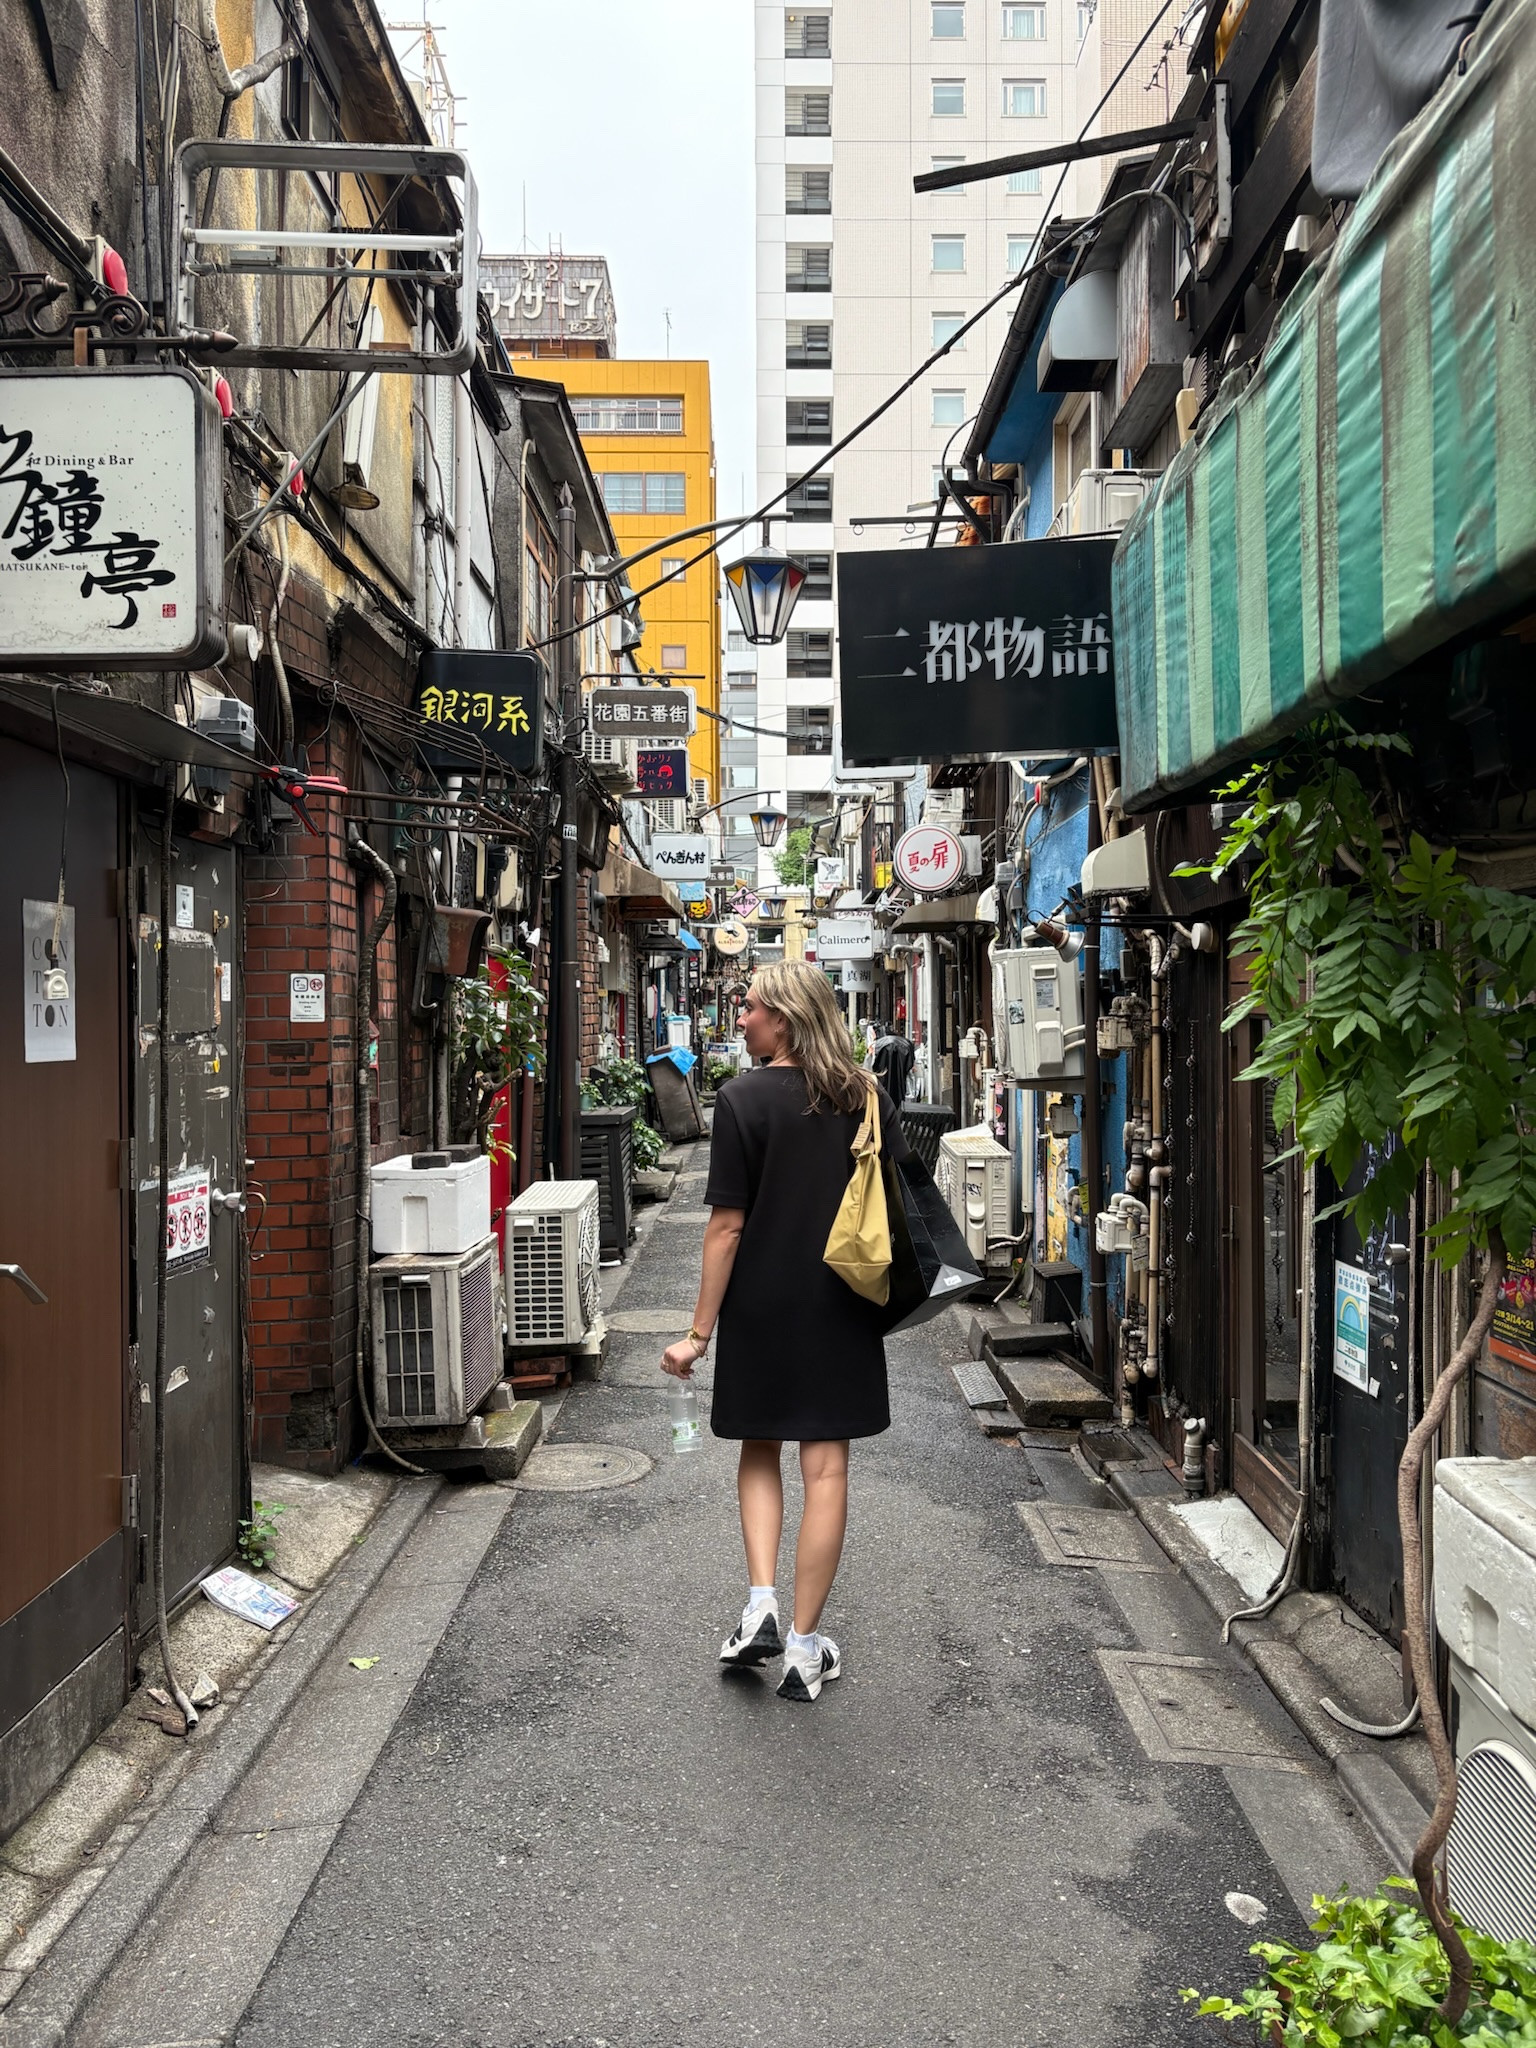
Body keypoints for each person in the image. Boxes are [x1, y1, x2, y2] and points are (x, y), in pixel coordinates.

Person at [660, 960, 910, 1703]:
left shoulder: (740, 1100)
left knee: (759, 1448)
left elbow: (727, 1227)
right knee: (826, 1469)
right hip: (842, 1303)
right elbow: (898, 1201)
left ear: (786, 1020)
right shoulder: (866, 1096)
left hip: (762, 1305)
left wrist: (698, 1332)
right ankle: (803, 1648)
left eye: (751, 1009)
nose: (741, 1020)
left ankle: (761, 1601)